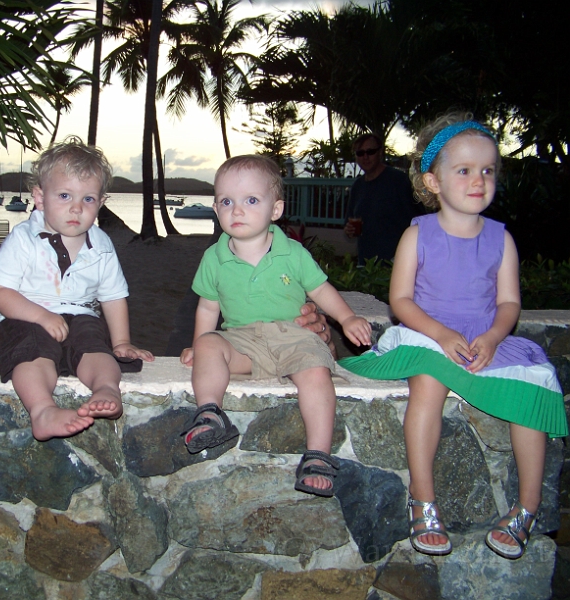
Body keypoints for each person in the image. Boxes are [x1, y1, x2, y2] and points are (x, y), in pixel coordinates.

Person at [339, 114, 567, 558]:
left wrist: (495, 337)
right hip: (428, 332)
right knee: (428, 380)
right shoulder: (418, 235)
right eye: (464, 170)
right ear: (433, 181)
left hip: (483, 336)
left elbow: (508, 303)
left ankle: (527, 507)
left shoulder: (501, 240)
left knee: (532, 387)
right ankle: (423, 497)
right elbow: (401, 300)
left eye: (488, 170)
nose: (479, 180)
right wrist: (441, 334)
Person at [180, 155, 372, 497]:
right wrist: (199, 345)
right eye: (227, 201)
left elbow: (321, 290)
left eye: (251, 200)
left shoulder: (293, 253)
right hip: (243, 342)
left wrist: (347, 318)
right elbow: (208, 307)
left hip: (294, 337)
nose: (237, 210)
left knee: (316, 372)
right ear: (216, 208)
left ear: (276, 209)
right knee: (209, 343)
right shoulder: (213, 258)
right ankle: (209, 412)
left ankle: (318, 454)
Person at [0, 136, 154, 441]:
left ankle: (106, 388)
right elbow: (0, 292)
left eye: (88, 199)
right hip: (27, 316)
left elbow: (113, 296)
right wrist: (41, 316)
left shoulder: (101, 244)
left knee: (95, 345)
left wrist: (122, 341)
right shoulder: (23, 239)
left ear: (100, 203)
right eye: (64, 196)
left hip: (80, 315)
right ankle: (42, 410)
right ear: (40, 198)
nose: (76, 208)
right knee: (31, 352)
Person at [344, 133, 422, 264]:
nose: (365, 157)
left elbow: (419, 220)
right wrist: (349, 230)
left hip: (397, 263)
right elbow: (349, 222)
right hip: (367, 264)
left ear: (380, 152)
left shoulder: (399, 181)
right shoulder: (357, 186)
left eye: (370, 152)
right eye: (360, 153)